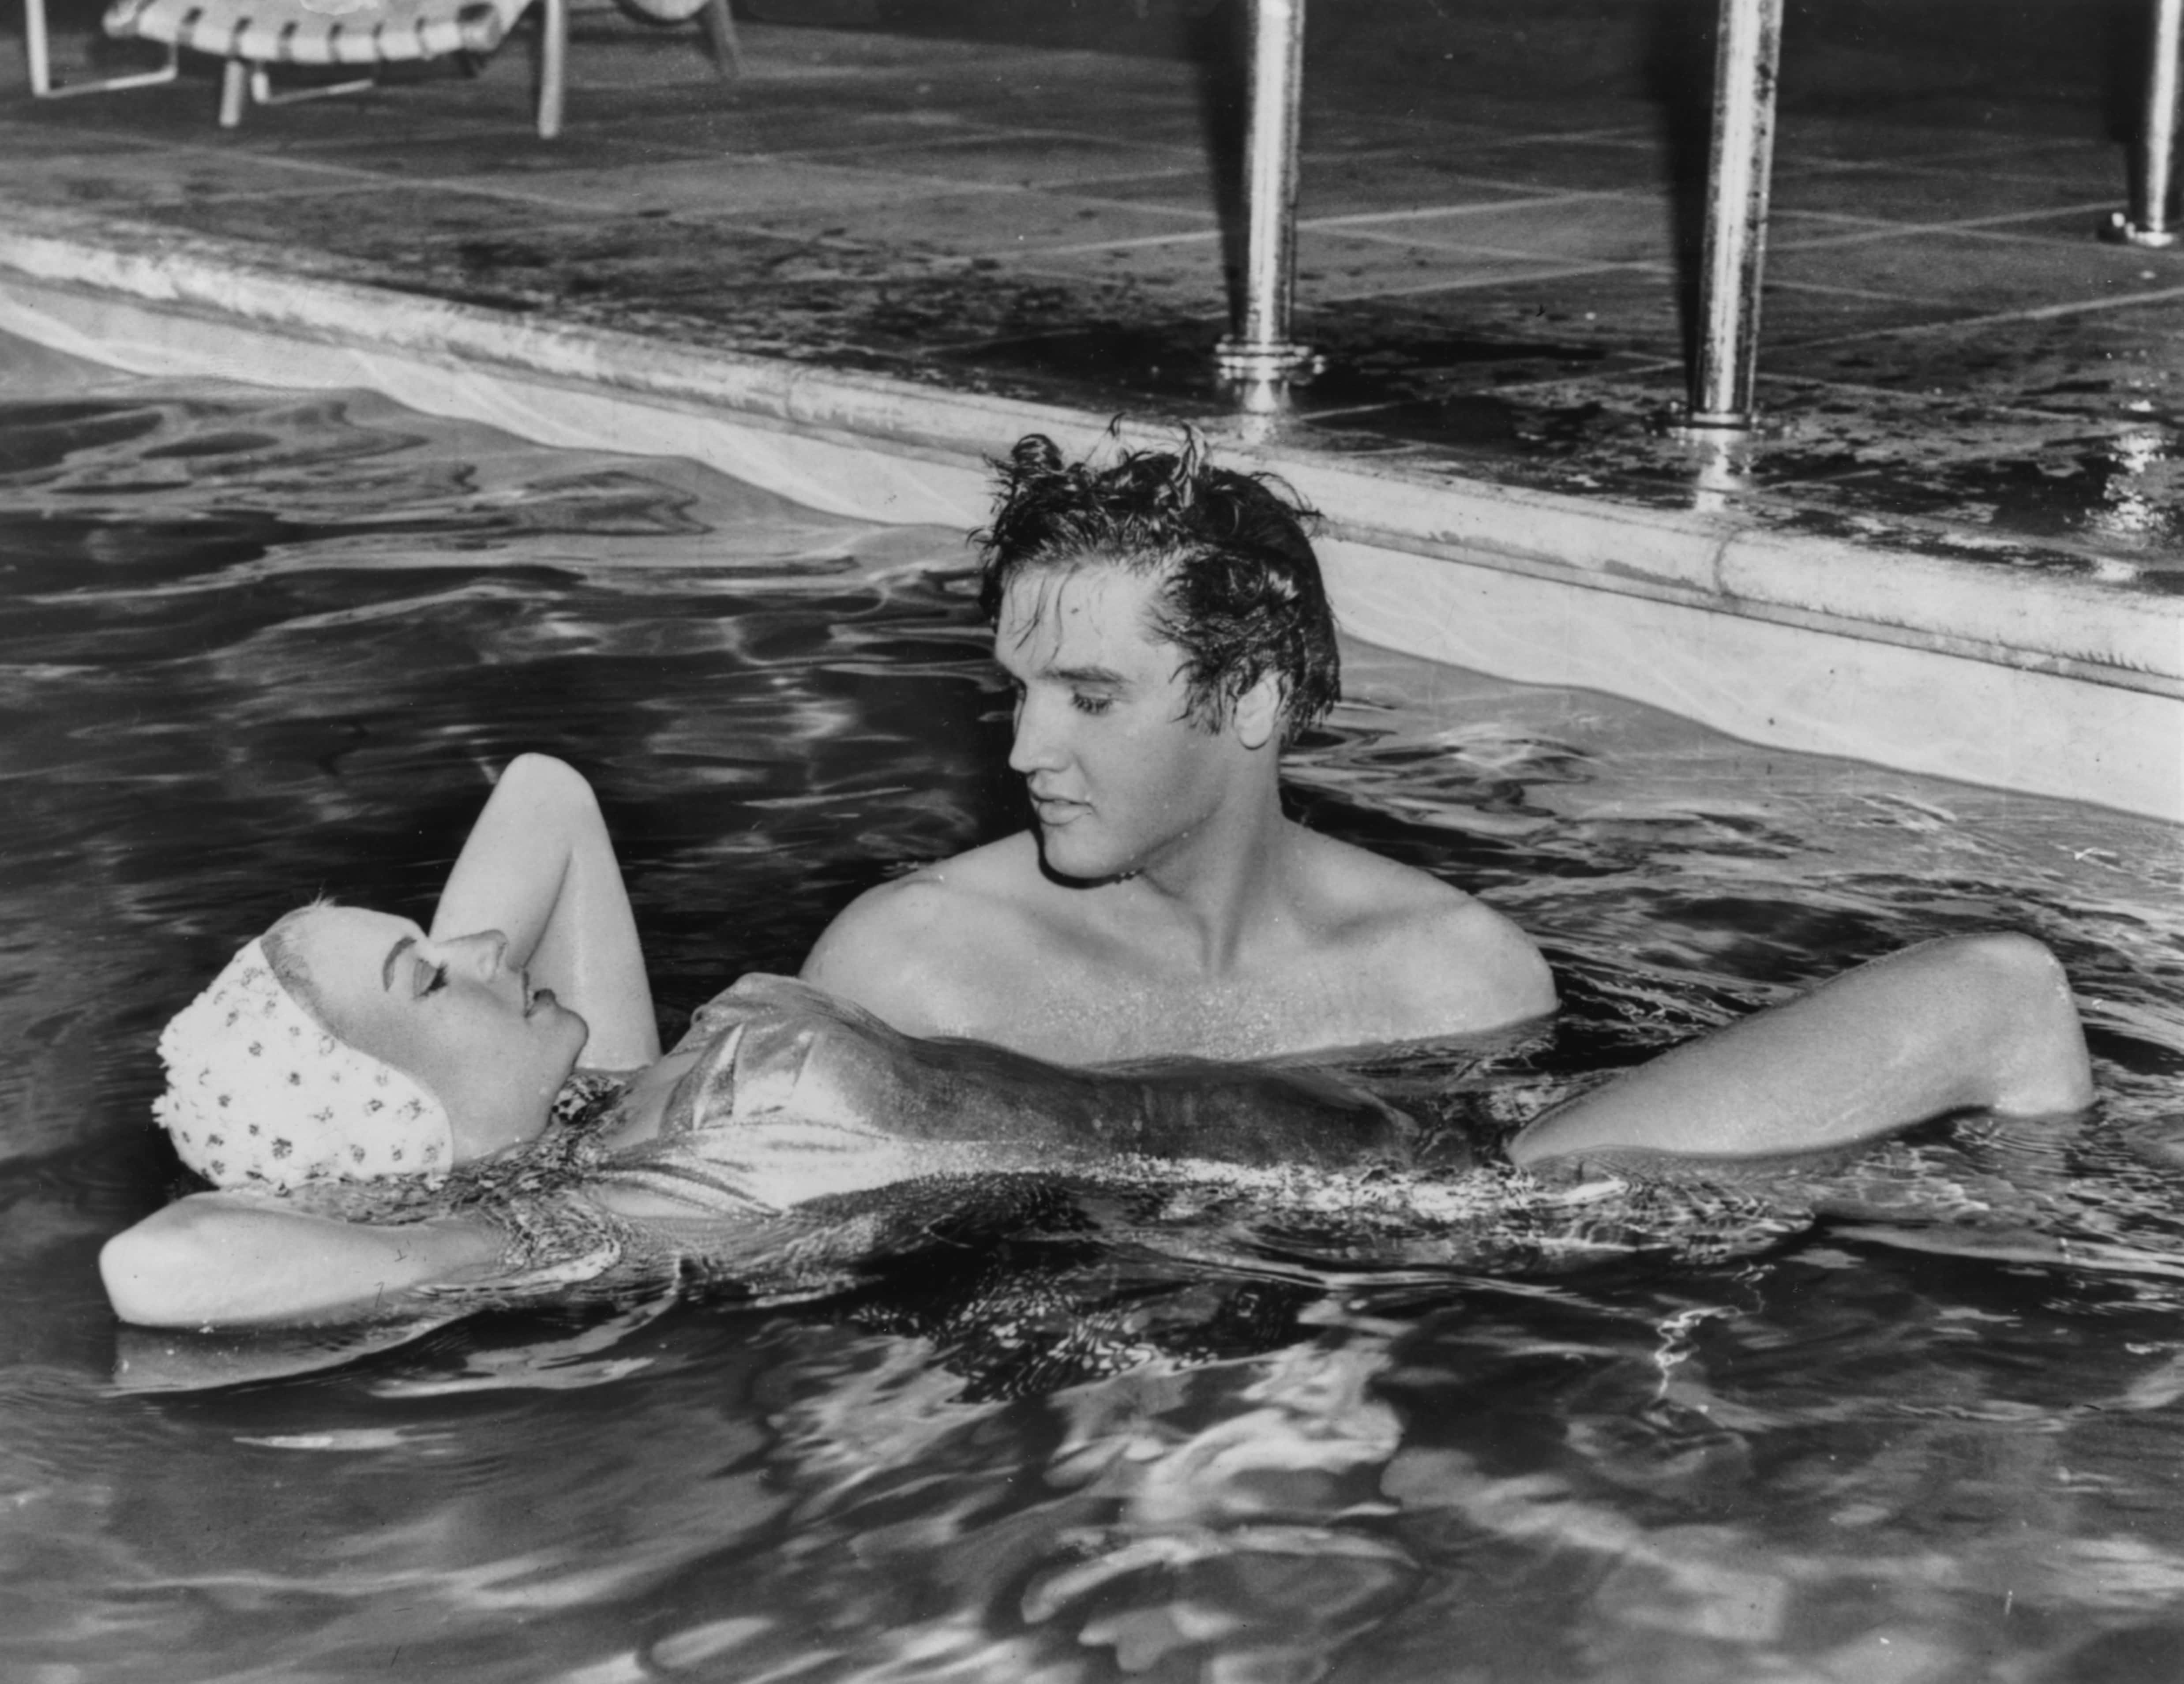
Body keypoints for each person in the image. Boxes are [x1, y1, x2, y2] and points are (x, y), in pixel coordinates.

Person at [101, 755, 2095, 1332]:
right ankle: (2031, 1300)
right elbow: (165, 1260)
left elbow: (539, 796)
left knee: (1977, 1027)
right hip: (1474, 1199)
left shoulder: (604, 1086)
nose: (472, 941)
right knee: (1990, 990)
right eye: (428, 978)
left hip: (1418, 1131)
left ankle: (2002, 1235)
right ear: (392, 1127)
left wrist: (428, 1002)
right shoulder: (607, 1209)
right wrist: (410, 1192)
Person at [799, 433, 1557, 1065]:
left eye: (1091, 699)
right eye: (1020, 691)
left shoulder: (1457, 983)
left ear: (1251, 695)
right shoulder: (910, 971)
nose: (1025, 752)